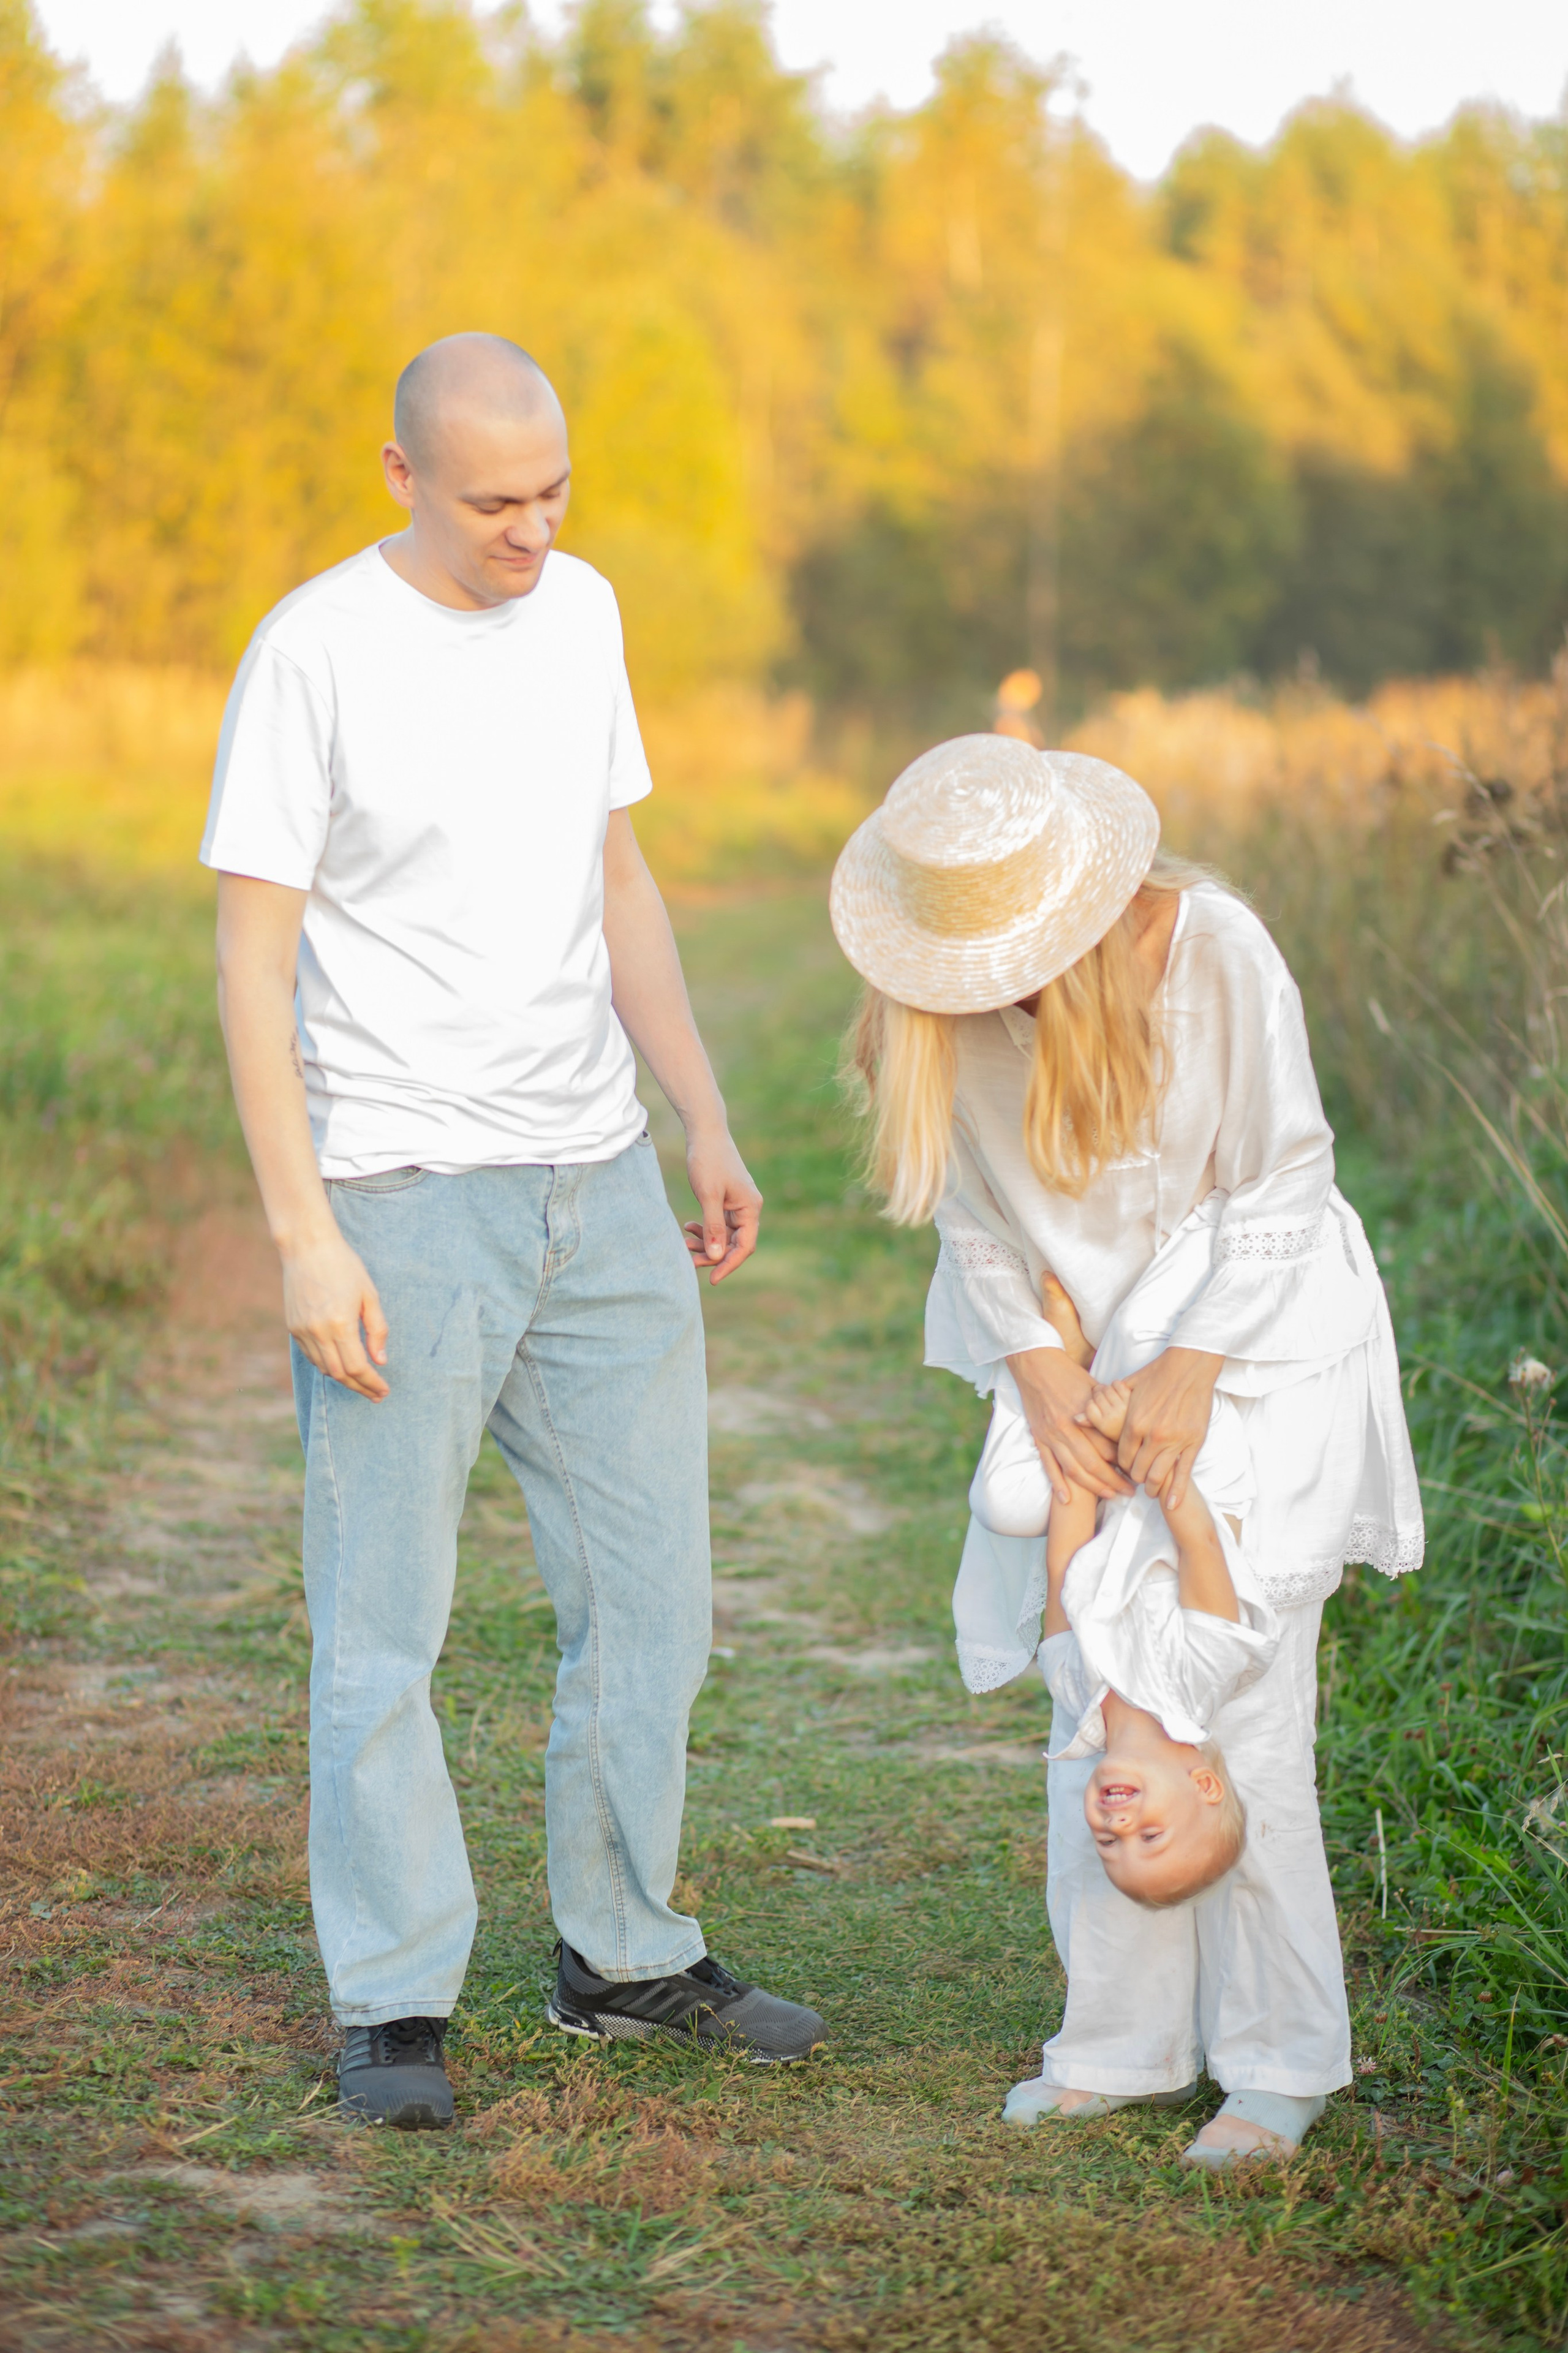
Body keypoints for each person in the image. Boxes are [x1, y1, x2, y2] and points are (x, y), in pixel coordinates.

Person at [202, 332, 825, 2129]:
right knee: (383, 1624)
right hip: (404, 1198)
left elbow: (615, 874)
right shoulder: (313, 651)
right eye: (493, 503)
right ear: (401, 475)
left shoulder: (585, 612)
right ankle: (394, 1996)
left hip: (597, 1184)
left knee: (652, 1600)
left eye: (554, 493)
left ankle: (621, 1955)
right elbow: (250, 958)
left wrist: (699, 1110)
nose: (531, 532)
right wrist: (305, 1234)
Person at [830, 732, 1423, 2167]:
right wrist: (1038, 1371)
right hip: (1080, 1366)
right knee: (1092, 1728)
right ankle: (1116, 2043)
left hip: (1249, 1346)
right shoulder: (936, 1009)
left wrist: (1190, 1367)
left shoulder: (1213, 951)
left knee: (1242, 1730)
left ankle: (1276, 2060)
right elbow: (974, 1217)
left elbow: (1283, 1173)